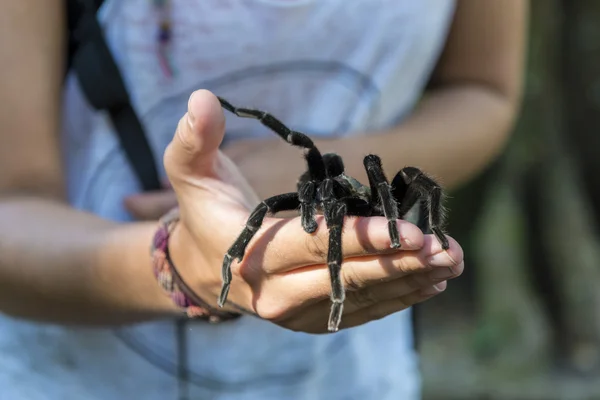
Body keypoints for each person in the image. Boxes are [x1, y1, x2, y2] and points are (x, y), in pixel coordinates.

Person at [0, 1, 525, 399]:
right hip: (72, 376)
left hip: (356, 378)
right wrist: (190, 265)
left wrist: (412, 230)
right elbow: (11, 202)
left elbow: (483, 89)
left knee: (402, 179)